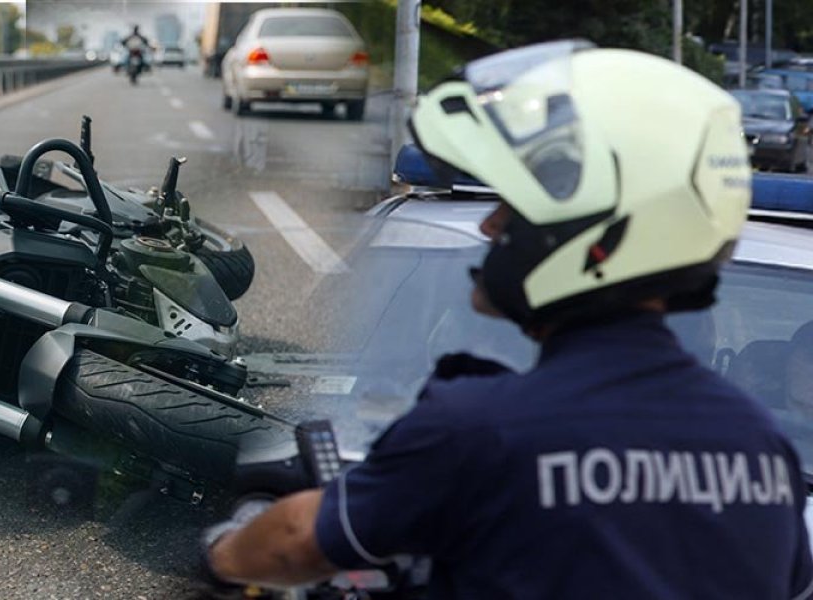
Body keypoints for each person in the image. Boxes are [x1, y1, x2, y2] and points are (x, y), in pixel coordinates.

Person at [202, 40, 813, 598]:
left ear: (596, 238)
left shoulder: (482, 430)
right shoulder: (763, 450)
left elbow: (292, 543)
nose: (492, 227)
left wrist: (224, 550)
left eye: (514, 208)